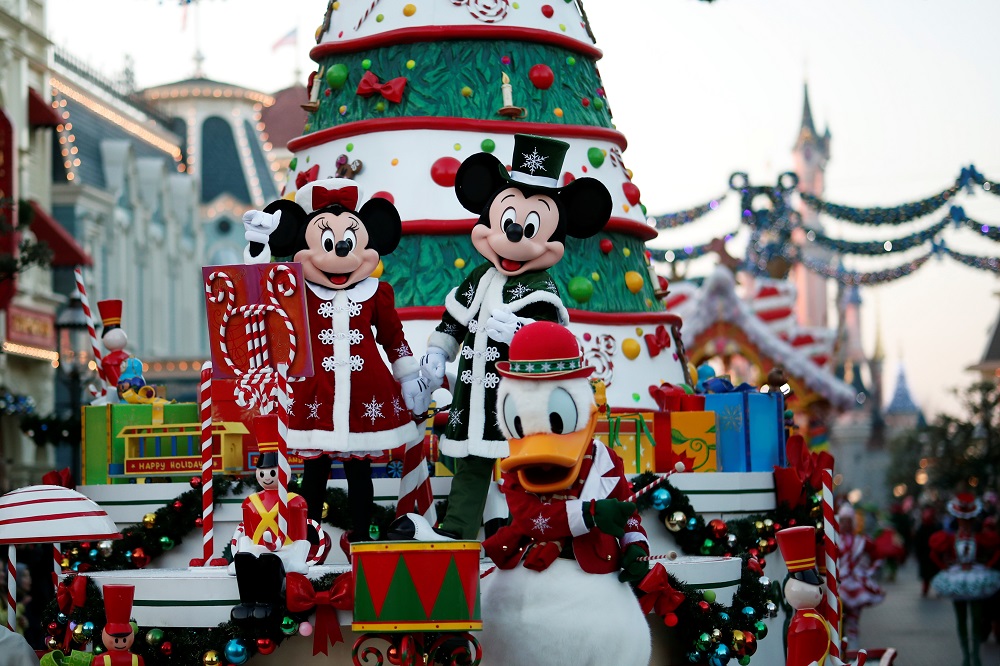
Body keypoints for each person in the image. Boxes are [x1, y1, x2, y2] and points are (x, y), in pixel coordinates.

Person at [929, 493, 1000, 666]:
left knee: (976, 617)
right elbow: (933, 553)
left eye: (968, 521)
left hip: (975, 576)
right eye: (962, 520)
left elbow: (997, 549)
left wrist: (988, 565)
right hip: (957, 578)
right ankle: (966, 656)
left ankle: (975, 655)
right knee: (961, 619)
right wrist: (945, 567)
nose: (965, 524)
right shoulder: (951, 537)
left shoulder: (979, 537)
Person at [837, 503, 885, 652]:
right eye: (842, 520)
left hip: (856, 585)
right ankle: (841, 650)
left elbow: (878, 556)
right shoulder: (834, 540)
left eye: (848, 520)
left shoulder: (861, 541)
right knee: (838, 621)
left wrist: (868, 572)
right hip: (839, 585)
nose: (845, 524)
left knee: (853, 621)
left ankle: (852, 650)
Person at [914, 505, 942, 597]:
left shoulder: (922, 528)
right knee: (934, 574)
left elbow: (917, 543)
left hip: (927, 556)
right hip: (932, 555)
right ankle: (934, 590)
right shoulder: (936, 527)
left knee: (928, 576)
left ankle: (927, 590)